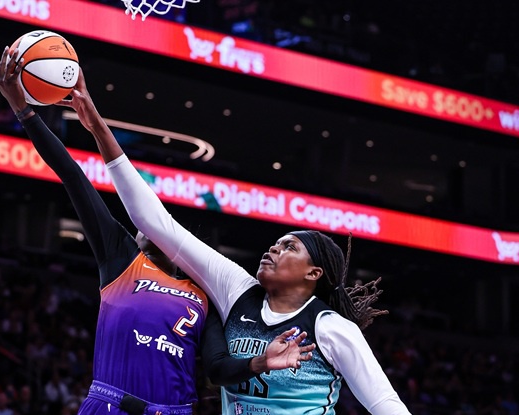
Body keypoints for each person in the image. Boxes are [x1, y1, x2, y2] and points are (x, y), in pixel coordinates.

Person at [55, 68, 412, 414]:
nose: (274, 249)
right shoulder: (237, 289)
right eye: (276, 243)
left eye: (289, 247)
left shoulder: (329, 327)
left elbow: (384, 404)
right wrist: (96, 125)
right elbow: (154, 221)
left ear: (313, 273)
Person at [0, 46, 315, 415]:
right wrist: (24, 111)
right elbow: (73, 177)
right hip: (110, 404)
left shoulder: (202, 295)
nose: (145, 227)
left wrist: (260, 362)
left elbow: (216, 368)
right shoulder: (121, 259)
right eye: (141, 225)